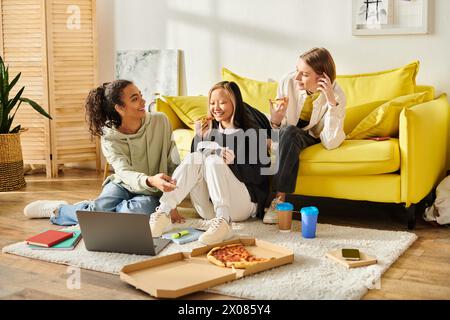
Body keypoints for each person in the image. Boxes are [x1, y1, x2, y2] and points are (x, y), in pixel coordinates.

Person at [24, 80, 184, 225]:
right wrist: (149, 180)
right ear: (119, 108)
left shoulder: (160, 121)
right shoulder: (109, 137)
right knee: (115, 213)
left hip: (151, 192)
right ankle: (57, 210)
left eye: (140, 95)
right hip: (123, 184)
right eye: (135, 99)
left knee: (134, 211)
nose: (143, 101)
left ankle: (97, 210)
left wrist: (171, 202)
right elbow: (124, 172)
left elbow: (173, 162)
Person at [149, 81, 270, 244]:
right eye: (212, 103)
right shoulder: (209, 130)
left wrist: (234, 164)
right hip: (208, 209)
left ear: (235, 104)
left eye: (222, 102)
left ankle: (224, 223)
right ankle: (164, 212)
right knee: (194, 158)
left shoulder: (252, 133)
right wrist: (199, 137)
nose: (216, 107)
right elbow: (193, 172)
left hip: (241, 207)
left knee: (214, 160)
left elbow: (260, 178)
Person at [263, 47, 347, 224]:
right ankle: (259, 200)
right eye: (297, 71)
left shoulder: (337, 95)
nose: (297, 78)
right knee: (280, 130)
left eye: (304, 74)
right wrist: (276, 120)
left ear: (322, 77)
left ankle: (279, 200)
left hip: (313, 138)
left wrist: (332, 103)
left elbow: (330, 142)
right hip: (287, 134)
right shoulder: (287, 82)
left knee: (289, 132)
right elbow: (280, 130)